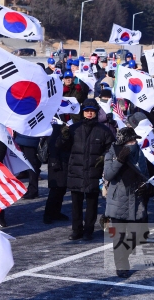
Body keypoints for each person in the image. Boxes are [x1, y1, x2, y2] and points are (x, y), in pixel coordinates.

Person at [61, 99, 114, 240]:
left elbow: (111, 148)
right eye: (87, 111)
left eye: (92, 111)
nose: (89, 113)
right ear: (82, 112)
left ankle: (88, 231)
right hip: (76, 171)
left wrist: (104, 157)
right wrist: (64, 137)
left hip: (94, 171)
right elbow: (63, 149)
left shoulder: (104, 130)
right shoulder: (73, 129)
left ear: (96, 112)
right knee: (76, 204)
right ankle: (76, 230)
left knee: (92, 203)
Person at [104, 127, 150, 278]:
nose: (133, 143)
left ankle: (123, 255)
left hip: (136, 200)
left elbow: (145, 174)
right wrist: (119, 160)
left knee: (140, 233)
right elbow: (109, 174)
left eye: (135, 140)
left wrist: (146, 187)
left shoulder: (139, 153)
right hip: (118, 200)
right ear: (123, 141)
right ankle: (121, 265)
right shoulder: (112, 152)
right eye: (130, 140)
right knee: (119, 236)